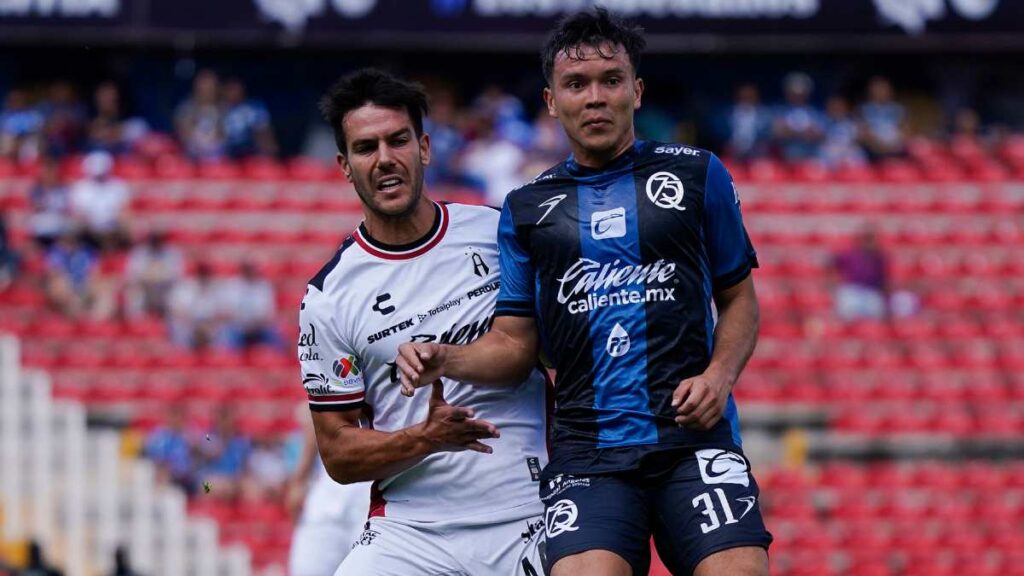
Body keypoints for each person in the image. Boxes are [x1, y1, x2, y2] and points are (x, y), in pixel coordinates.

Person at [397, 9, 771, 576]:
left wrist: (718, 377)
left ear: (636, 91)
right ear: (551, 101)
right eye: (576, 84)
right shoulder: (526, 208)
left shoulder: (700, 175)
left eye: (610, 81)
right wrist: (442, 357)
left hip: (694, 442)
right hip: (588, 453)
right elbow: (515, 344)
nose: (595, 97)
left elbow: (740, 299)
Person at [300, 68, 548, 576]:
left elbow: (554, 351)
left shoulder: (499, 234)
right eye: (366, 148)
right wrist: (426, 437)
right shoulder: (327, 298)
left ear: (425, 147)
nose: (385, 159)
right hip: (411, 530)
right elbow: (339, 453)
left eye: (398, 140)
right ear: (345, 166)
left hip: (529, 509)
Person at [286, 409, 371, 576]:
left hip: (374, 493)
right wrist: (299, 479)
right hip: (328, 494)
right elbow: (317, 421)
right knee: (307, 568)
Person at [832, 225, 889, 320]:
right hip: (852, 290)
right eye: (866, 238)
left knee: (876, 313)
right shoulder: (849, 254)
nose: (869, 242)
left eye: (871, 239)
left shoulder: (879, 257)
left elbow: (884, 280)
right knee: (847, 311)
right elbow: (832, 264)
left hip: (871, 292)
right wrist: (834, 284)